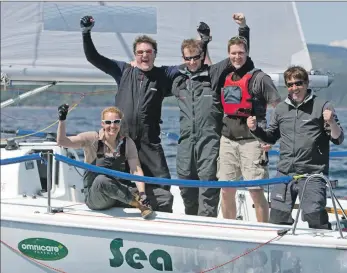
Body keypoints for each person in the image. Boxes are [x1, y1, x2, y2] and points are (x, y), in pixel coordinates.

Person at [80, 15, 178, 212]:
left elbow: (190, 67)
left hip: (150, 143)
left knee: (163, 187)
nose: (144, 55)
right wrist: (86, 33)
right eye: (140, 52)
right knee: (117, 182)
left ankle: (155, 217)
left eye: (148, 52)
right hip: (122, 142)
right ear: (134, 55)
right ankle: (128, 213)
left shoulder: (163, 75)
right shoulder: (123, 70)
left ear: (155, 54)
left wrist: (202, 44)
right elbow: (93, 58)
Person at [247, 65, 344, 229]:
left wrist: (331, 122)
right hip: (285, 172)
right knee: (277, 218)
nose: (295, 88)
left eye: (298, 83)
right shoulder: (280, 109)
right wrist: (255, 129)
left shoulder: (322, 106)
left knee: (314, 216)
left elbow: (338, 139)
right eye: (290, 84)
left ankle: (323, 246)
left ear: (306, 84)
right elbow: (271, 137)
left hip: (312, 173)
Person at [172, 14, 250, 217]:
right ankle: (191, 226)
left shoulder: (214, 74)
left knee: (208, 188)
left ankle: (206, 227)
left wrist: (242, 29)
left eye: (196, 57)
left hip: (209, 141)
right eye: (187, 58)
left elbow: (237, 57)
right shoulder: (178, 80)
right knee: (185, 185)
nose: (192, 62)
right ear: (183, 59)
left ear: (202, 55)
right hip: (186, 143)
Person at [217, 34, 282, 223]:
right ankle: (229, 229)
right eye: (233, 53)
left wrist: (269, 138)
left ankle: (261, 231)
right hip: (227, 140)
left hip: (252, 142)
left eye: (241, 53)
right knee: (226, 190)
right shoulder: (226, 76)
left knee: (255, 190)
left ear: (247, 53)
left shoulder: (261, 78)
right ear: (228, 54)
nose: (237, 57)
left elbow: (279, 107)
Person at [56, 104, 154, 219]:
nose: (112, 126)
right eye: (108, 122)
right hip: (96, 197)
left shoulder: (127, 142)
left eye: (116, 122)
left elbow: (136, 170)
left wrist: (142, 193)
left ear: (120, 123)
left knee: (162, 196)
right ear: (102, 124)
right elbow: (62, 141)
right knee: (102, 180)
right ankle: (138, 204)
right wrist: (62, 120)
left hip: (118, 193)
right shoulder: (92, 138)